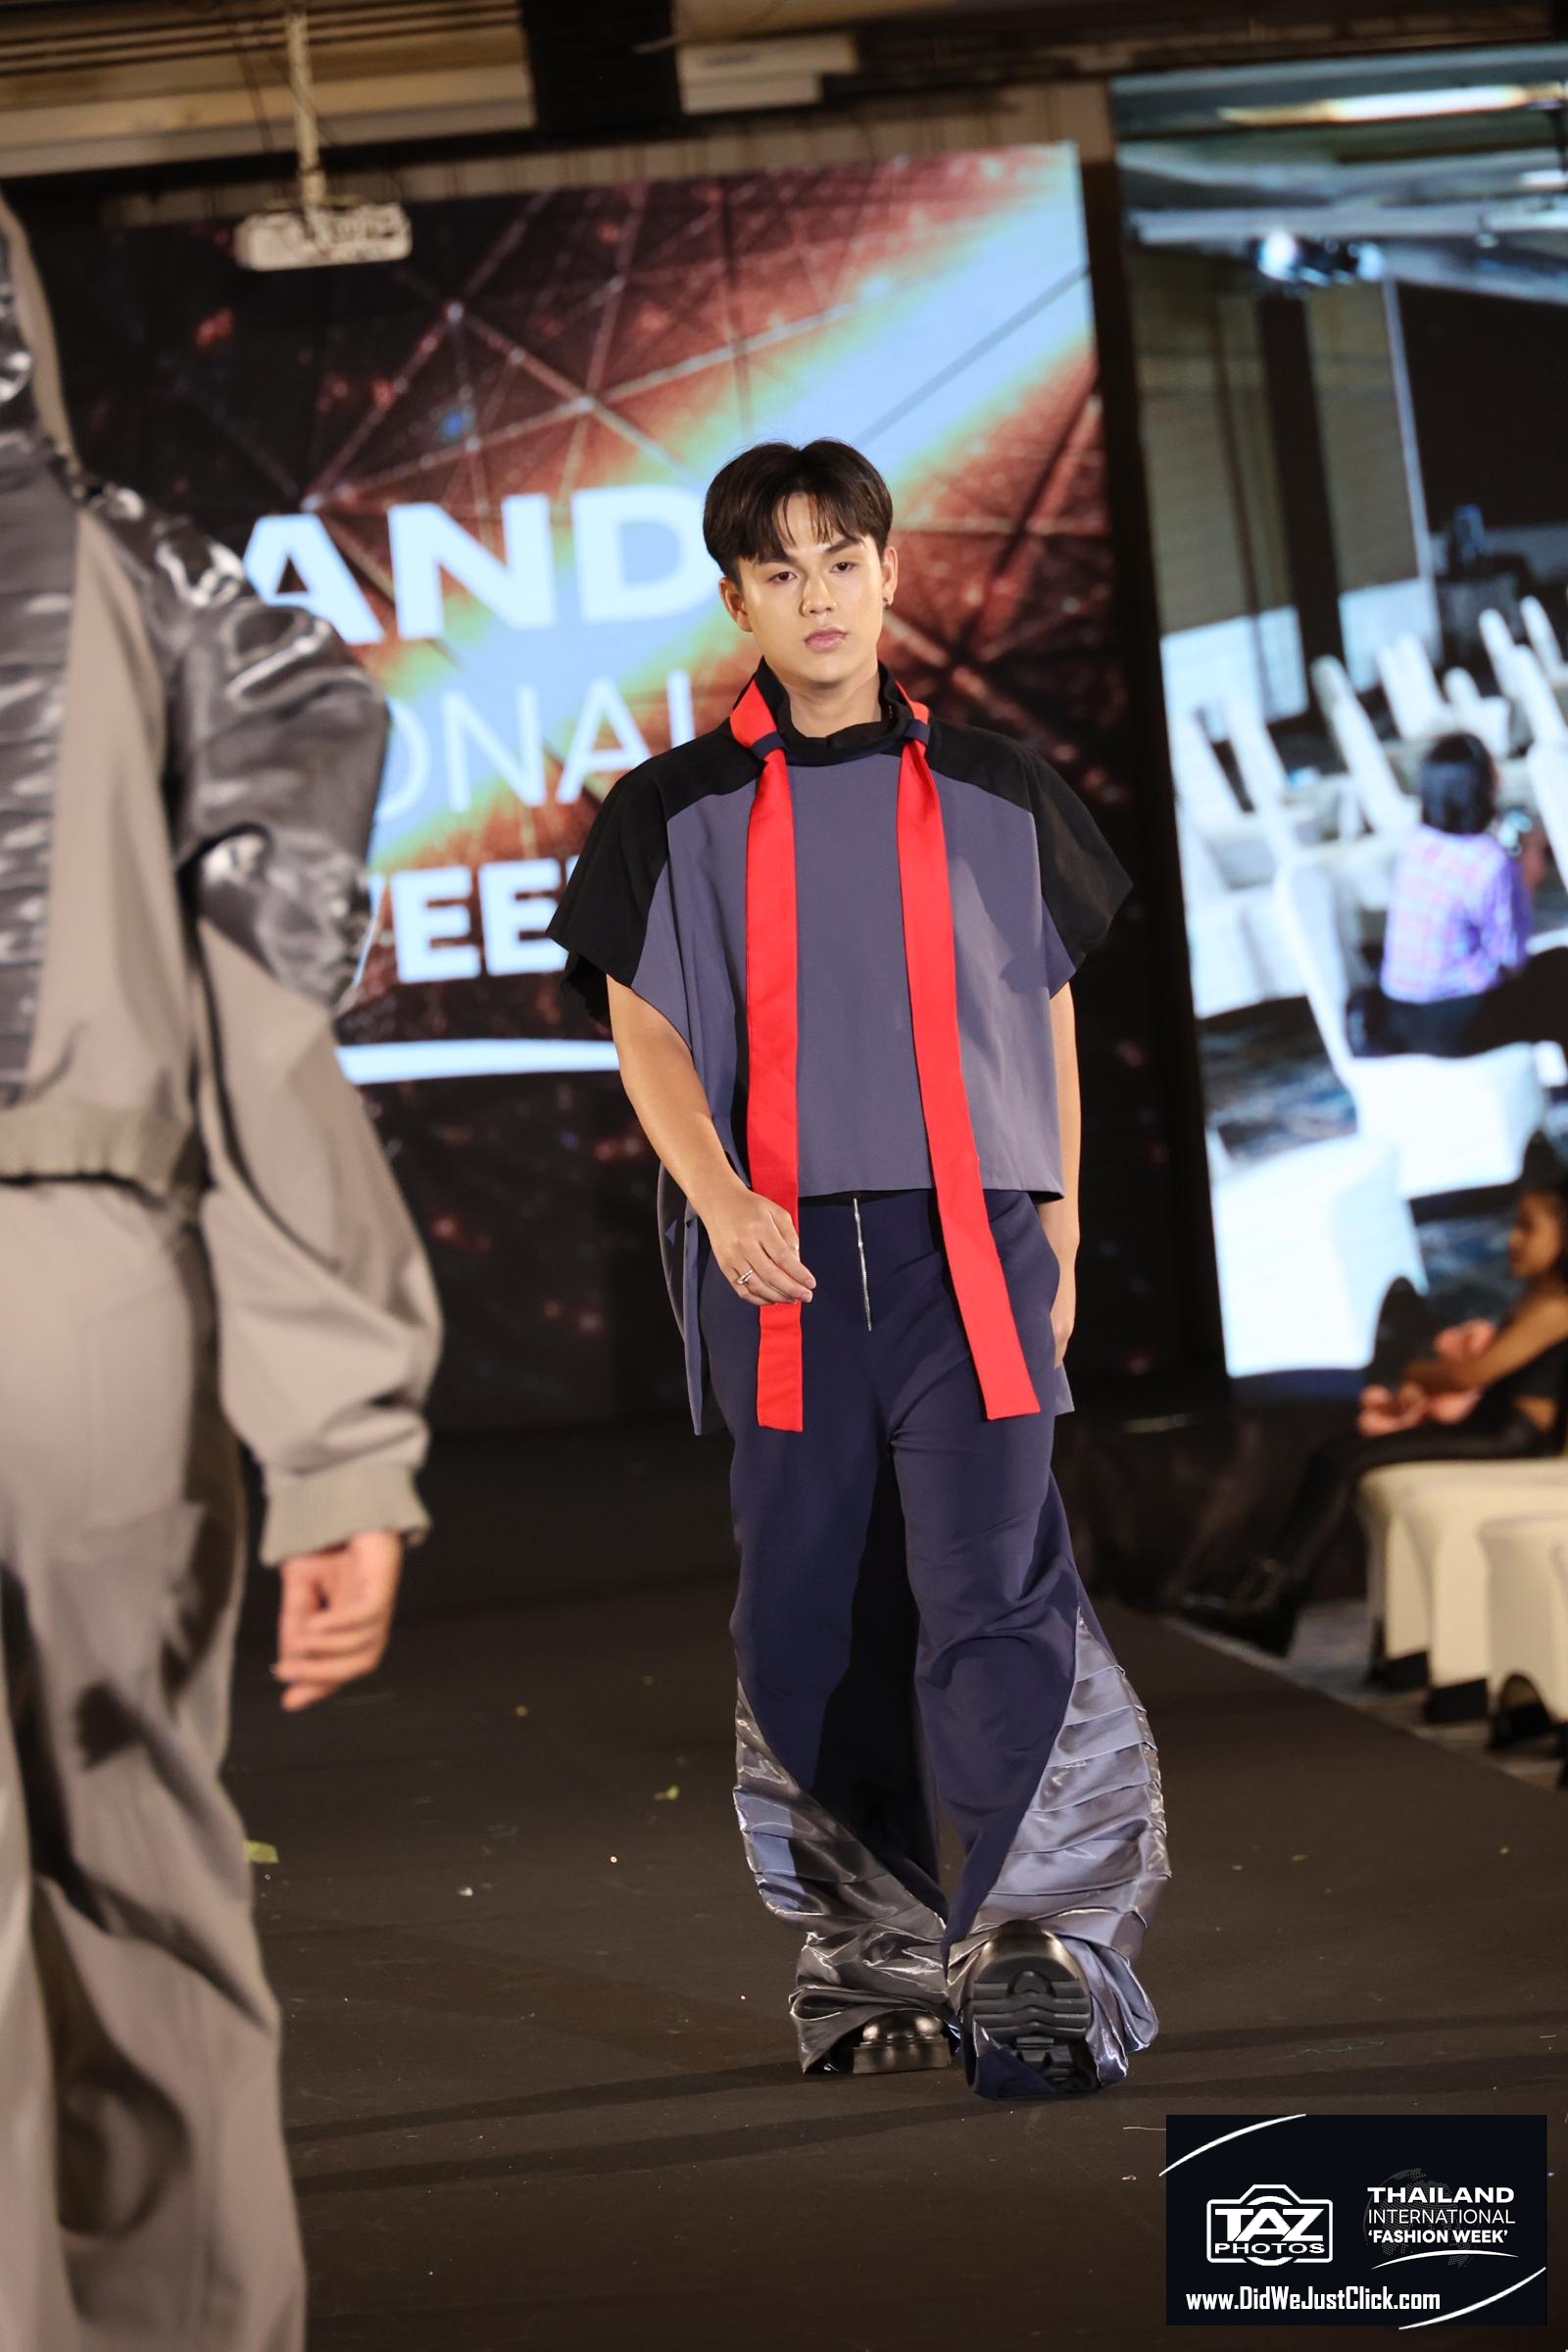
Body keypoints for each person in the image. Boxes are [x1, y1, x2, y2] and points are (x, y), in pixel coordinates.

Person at [549, 438, 1167, 2102]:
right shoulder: (668, 809)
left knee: (994, 1587)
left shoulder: (1000, 786)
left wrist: (1060, 1228)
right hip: (781, 1267)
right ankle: (873, 1953)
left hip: (977, 1248)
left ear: (891, 573)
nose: (817, 595)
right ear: (736, 599)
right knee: (811, 1609)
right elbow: (647, 1034)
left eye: (843, 560)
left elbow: (1042, 1011)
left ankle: (1043, 1951)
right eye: (781, 569)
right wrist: (719, 1197)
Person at [0, 198, 441, 2349]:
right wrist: (339, 1441)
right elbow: (261, 1019)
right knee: (142, 1874)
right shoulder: (139, 579)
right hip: (80, 1279)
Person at [1181, 1175, 1568, 1656]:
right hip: (1493, 1425)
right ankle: (1266, 1596)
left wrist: (1415, 1371)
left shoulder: (1556, 1305)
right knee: (1339, 1454)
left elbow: (1472, 1374)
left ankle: (1272, 1600)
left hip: (1513, 1435)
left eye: (1528, 1227)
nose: (1513, 1239)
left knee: (1343, 1458)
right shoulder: (1537, 1296)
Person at [1375, 731, 1568, 1056]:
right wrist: (1528, 881)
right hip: (1456, 1024)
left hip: (1400, 1013)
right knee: (1561, 970)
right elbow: (1510, 960)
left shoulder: (1416, 842)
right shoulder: (1488, 861)